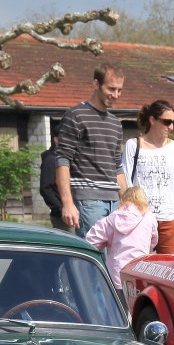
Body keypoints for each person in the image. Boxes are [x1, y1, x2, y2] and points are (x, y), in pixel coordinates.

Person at [55, 64, 126, 237]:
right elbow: (62, 160)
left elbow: (117, 166)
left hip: (115, 202)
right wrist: (67, 203)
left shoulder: (115, 124)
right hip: (89, 202)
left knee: (115, 253)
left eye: (119, 90)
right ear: (96, 84)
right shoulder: (76, 116)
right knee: (93, 252)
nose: (116, 95)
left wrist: (127, 201)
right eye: (111, 89)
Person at [122, 99, 174, 254]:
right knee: (138, 264)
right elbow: (126, 181)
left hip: (169, 220)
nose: (171, 127)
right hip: (141, 218)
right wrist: (131, 212)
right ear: (152, 120)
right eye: (167, 122)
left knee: (169, 266)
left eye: (173, 122)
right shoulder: (133, 145)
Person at [86, 185, 157, 300]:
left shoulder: (114, 218)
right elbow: (153, 242)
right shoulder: (150, 218)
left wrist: (105, 243)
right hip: (140, 272)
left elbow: (91, 240)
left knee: (117, 306)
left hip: (117, 274)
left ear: (123, 199)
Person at [39, 126, 70, 231]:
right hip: (63, 217)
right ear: (56, 139)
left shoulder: (65, 157)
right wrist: (61, 209)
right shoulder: (51, 159)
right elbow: (45, 189)